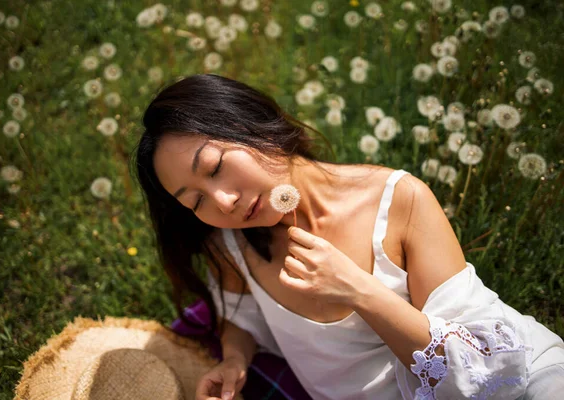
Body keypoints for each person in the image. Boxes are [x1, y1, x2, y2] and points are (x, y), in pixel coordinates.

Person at [133, 74, 564, 400]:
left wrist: (359, 290)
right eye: (194, 201)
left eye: (214, 166)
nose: (222, 202)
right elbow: (241, 316)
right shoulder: (231, 243)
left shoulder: (399, 201)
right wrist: (234, 359)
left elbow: (484, 376)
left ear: (255, 123)